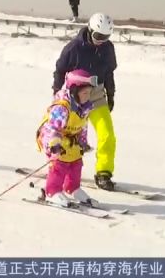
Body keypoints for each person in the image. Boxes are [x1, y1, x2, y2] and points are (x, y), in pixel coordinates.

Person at [52, 12, 117, 191]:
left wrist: (110, 95)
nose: (101, 41)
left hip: (95, 95)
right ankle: (59, 167)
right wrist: (57, 96)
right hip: (74, 96)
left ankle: (103, 173)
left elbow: (109, 73)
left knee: (107, 135)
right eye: (98, 36)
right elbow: (59, 71)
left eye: (106, 37)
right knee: (68, 137)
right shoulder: (73, 48)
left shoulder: (107, 49)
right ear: (90, 30)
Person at [37, 69, 98, 207]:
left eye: (89, 93)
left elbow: (83, 126)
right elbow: (53, 128)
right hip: (52, 138)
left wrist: (82, 142)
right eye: (84, 93)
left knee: (76, 162)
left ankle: (72, 187)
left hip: (69, 138)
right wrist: (54, 144)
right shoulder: (62, 107)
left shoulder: (84, 107)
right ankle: (52, 191)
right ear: (74, 91)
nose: (87, 96)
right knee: (60, 164)